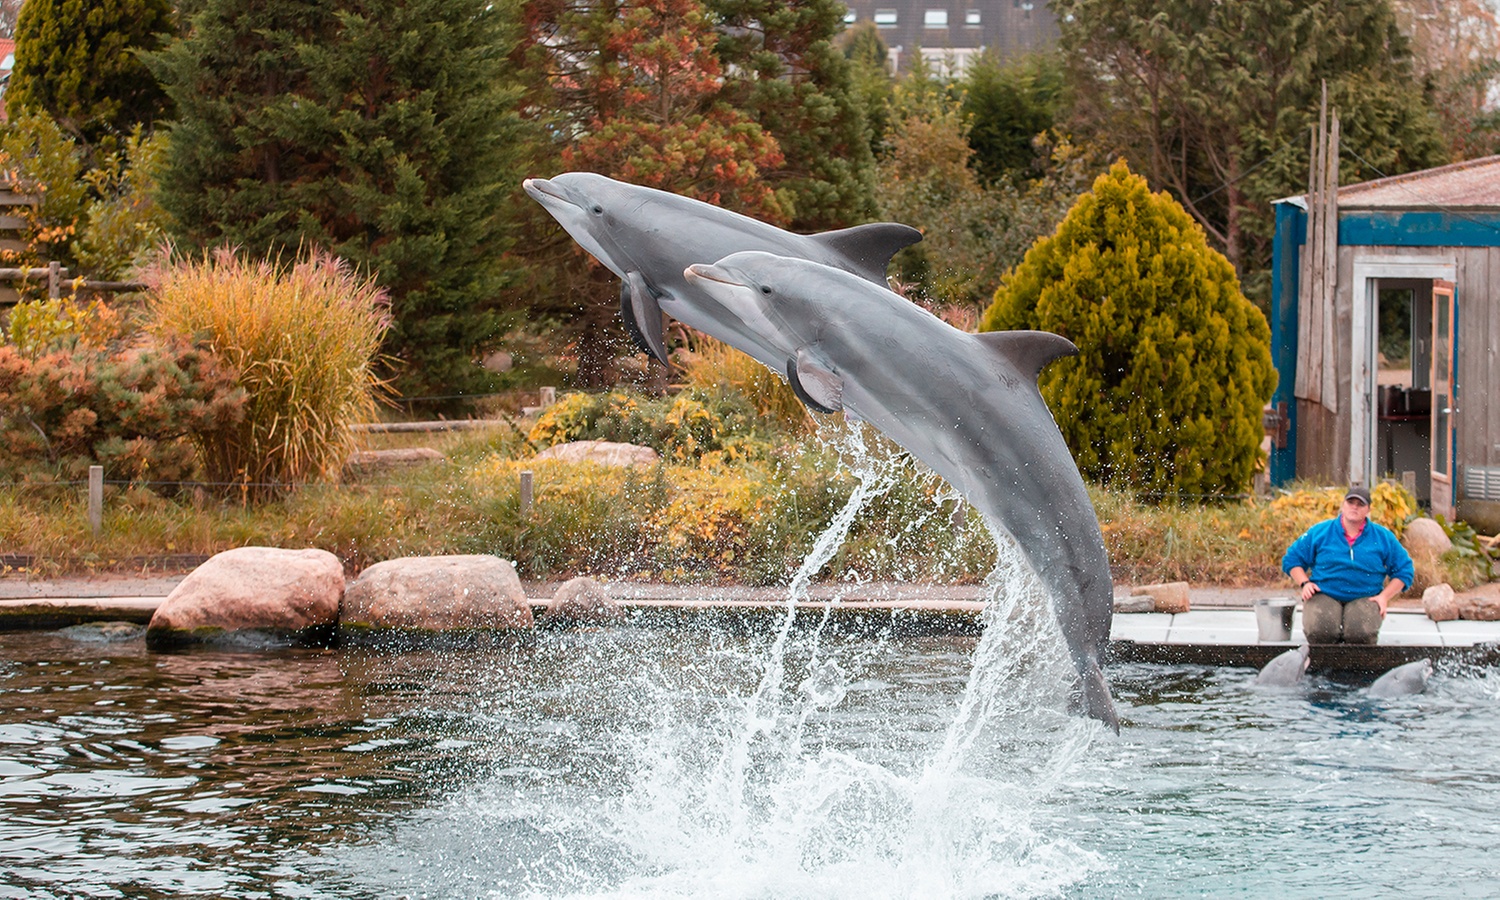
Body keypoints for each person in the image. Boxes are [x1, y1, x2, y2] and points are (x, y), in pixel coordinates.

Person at [1281, 484, 1415, 644]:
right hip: (1324, 593)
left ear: (1368, 510)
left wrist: (1384, 597)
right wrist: (1304, 583)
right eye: (1350, 503)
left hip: (1365, 597)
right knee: (1320, 631)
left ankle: (1357, 666)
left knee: (1360, 634)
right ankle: (1320, 665)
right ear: (1343, 505)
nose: (1354, 507)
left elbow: (1404, 570)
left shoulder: (1383, 537)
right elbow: (1292, 559)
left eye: (1360, 504)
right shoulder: (1319, 531)